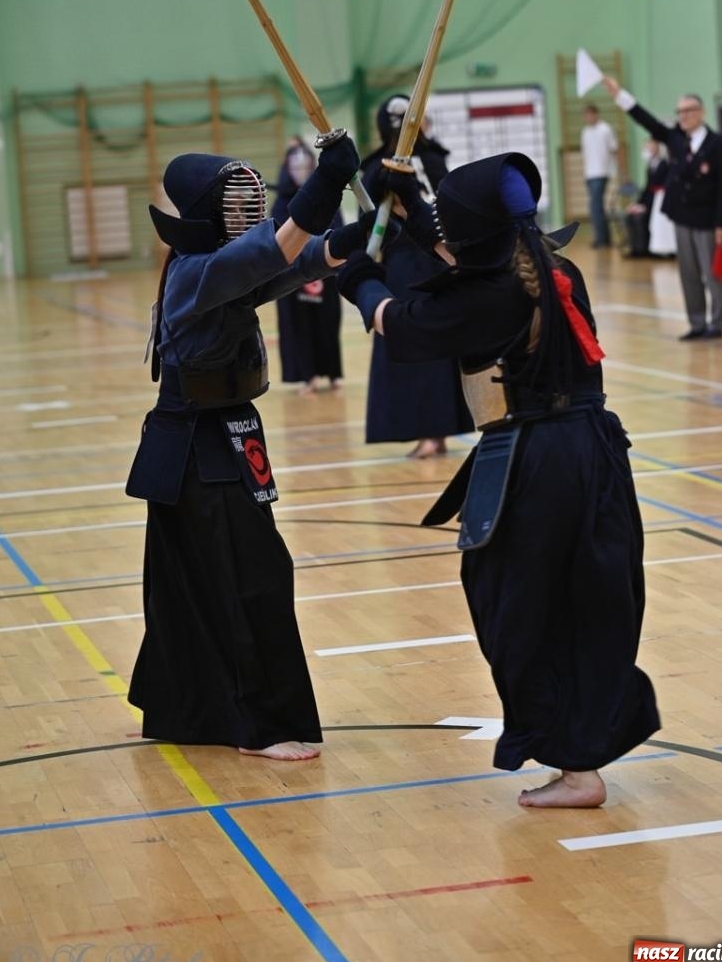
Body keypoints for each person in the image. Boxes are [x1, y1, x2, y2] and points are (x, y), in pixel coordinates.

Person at [336, 153, 660, 807]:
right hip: (594, 452)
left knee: (515, 605)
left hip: (536, 462)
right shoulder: (549, 268)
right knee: (585, 602)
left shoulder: (492, 296)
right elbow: (468, 265)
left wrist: (360, 279)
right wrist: (412, 213)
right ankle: (581, 761)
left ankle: (575, 765)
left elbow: (403, 325)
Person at [126, 136, 368, 761]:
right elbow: (267, 252)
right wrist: (324, 186)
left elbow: (297, 262)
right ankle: (258, 724)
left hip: (220, 440)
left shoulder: (219, 269)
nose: (248, 210)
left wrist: (364, 226)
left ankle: (192, 710)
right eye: (234, 203)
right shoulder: (197, 274)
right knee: (247, 579)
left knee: (201, 584)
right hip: (191, 450)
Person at [360, 94, 472, 458]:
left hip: (430, 261)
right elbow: (369, 210)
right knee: (406, 340)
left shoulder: (433, 160)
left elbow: (448, 204)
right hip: (401, 264)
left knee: (433, 345)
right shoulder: (377, 167)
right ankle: (423, 429)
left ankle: (435, 431)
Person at [602, 77, 722, 340]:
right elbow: (647, 120)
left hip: (708, 219)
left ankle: (716, 324)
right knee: (688, 273)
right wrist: (620, 96)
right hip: (682, 216)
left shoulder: (720, 144)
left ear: (701, 112)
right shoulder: (675, 138)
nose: (682, 116)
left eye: (688, 110)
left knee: (713, 274)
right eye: (679, 111)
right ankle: (697, 323)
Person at [272, 140, 344, 394]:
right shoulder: (281, 203)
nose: (301, 171)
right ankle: (308, 376)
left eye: (305, 166)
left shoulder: (326, 198)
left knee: (328, 323)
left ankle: (333, 372)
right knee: (299, 325)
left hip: (326, 271)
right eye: (296, 166)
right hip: (292, 276)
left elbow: (339, 231)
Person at [579, 103, 618, 248]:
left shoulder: (605, 129)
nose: (587, 117)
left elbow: (614, 150)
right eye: (585, 115)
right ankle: (606, 239)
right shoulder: (585, 132)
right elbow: (585, 154)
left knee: (595, 207)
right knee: (598, 207)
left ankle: (600, 239)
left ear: (596, 114)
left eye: (589, 114)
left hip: (602, 172)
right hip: (589, 174)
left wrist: (619, 171)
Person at [624, 139, 670, 258]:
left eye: (649, 147)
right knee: (630, 216)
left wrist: (644, 206)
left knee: (639, 218)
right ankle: (635, 248)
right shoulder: (650, 165)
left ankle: (643, 249)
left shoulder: (664, 164)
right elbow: (647, 188)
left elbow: (658, 189)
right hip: (649, 201)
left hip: (658, 203)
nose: (647, 150)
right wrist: (637, 204)